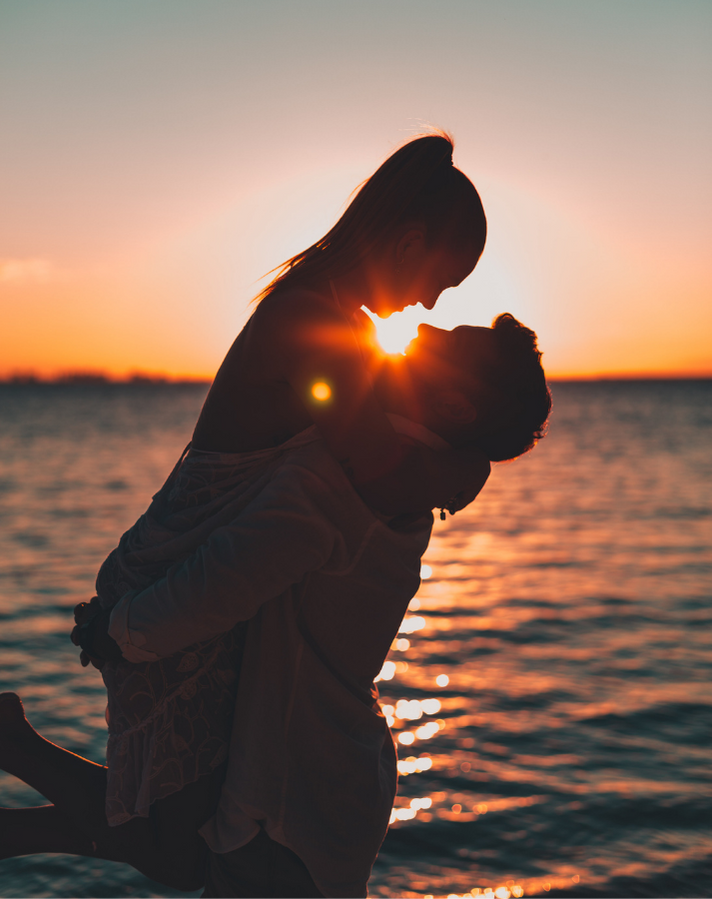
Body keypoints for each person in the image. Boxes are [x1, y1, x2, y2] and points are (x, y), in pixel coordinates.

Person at [0, 315, 551, 897]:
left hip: (294, 799)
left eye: (450, 343)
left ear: (456, 405)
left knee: (173, 852)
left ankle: (14, 759)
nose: (426, 329)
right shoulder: (397, 469)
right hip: (315, 787)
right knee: (174, 851)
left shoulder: (360, 482)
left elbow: (228, 576)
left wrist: (121, 630)